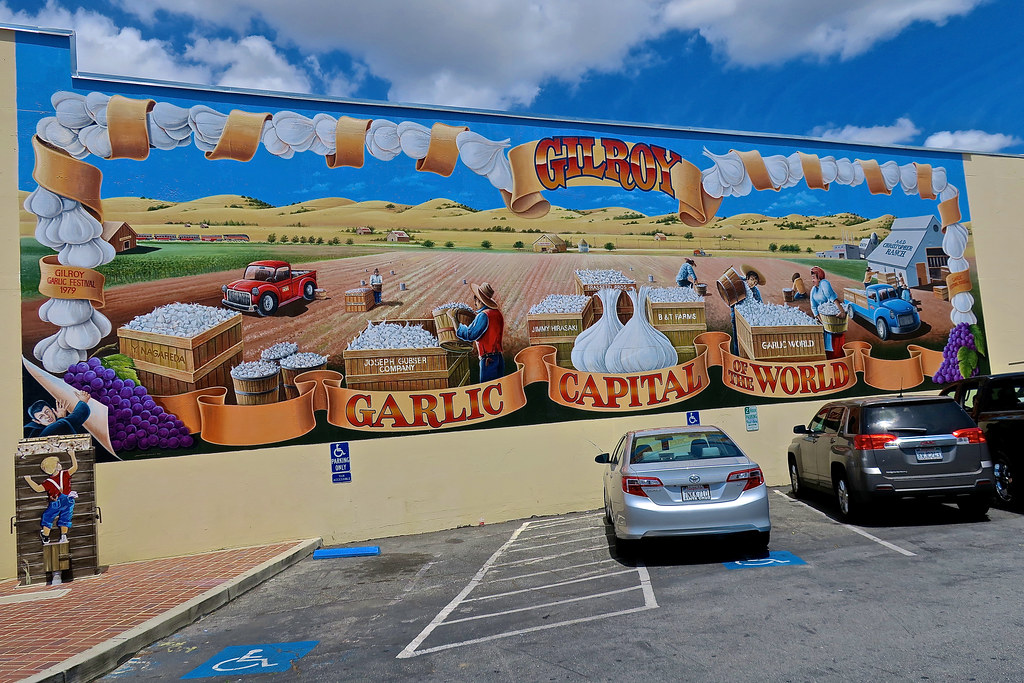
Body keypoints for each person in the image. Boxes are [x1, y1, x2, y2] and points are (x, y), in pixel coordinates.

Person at [23, 448, 79, 545]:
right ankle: (63, 536)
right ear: (55, 467)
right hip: (68, 501)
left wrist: (29, 480)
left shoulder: (48, 482)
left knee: (48, 517)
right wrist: (72, 455)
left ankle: (45, 536)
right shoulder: (65, 474)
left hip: (56, 502)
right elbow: (75, 467)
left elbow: (38, 489)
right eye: (58, 463)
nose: (59, 464)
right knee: (66, 517)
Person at [454, 282, 505, 383]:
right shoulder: (497, 313)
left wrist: (455, 321)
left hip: (488, 361)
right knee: (499, 387)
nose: (475, 303)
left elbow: (470, 335)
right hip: (499, 358)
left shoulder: (483, 315)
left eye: (476, 299)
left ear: (480, 300)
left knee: (487, 389)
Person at [809, 266, 847, 359]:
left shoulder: (824, 283)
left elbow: (832, 297)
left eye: (814, 278)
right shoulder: (814, 290)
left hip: (833, 316)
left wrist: (842, 311)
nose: (812, 280)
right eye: (812, 278)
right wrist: (821, 320)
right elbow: (813, 307)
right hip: (824, 318)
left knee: (835, 343)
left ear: (819, 278)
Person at [24, 390, 91, 439]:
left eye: (47, 411)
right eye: (41, 416)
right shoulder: (44, 431)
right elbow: (76, 417)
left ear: (52, 410)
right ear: (37, 421)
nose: (47, 416)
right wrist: (61, 418)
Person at [730, 267, 765, 355]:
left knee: (747, 340)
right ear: (747, 278)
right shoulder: (740, 284)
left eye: (755, 282)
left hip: (749, 319)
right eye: (752, 280)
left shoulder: (755, 291)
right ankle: (737, 356)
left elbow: (760, 304)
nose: (753, 283)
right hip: (737, 316)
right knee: (737, 338)